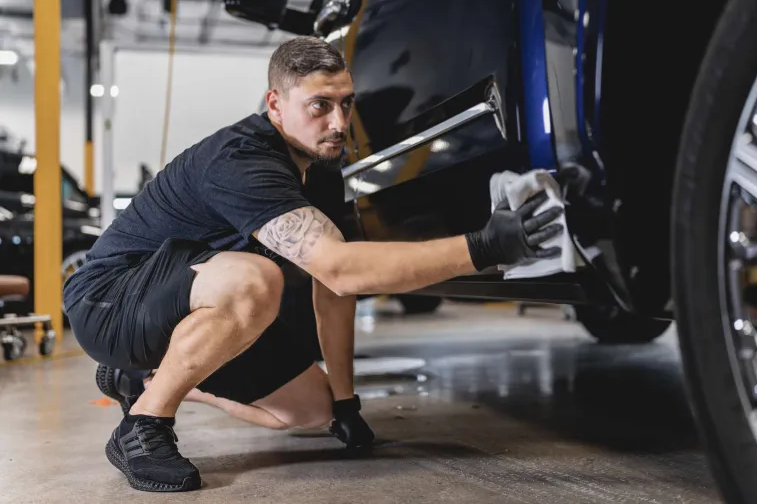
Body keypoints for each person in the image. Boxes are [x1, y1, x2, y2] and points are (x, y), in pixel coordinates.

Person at [63, 36, 564, 493]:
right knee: (255, 278)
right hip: (109, 299)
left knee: (308, 410)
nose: (339, 123)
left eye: (346, 104)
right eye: (320, 106)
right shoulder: (241, 160)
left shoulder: (320, 172)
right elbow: (343, 266)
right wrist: (486, 247)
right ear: (275, 105)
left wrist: (345, 400)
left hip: (192, 302)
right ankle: (145, 425)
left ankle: (142, 381)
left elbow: (334, 287)